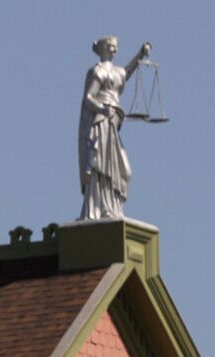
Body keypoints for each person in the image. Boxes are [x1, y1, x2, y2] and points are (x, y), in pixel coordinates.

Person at [78, 39, 152, 221]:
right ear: (103, 48)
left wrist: (140, 55)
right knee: (100, 165)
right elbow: (88, 97)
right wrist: (102, 108)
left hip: (113, 122)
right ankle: (100, 208)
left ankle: (113, 207)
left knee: (124, 170)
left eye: (115, 46)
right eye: (110, 45)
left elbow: (126, 73)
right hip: (101, 121)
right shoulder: (98, 71)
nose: (114, 49)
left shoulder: (117, 72)